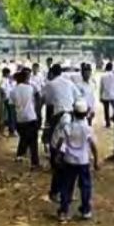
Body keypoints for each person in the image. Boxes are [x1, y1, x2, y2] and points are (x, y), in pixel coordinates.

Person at [55, 99, 99, 222]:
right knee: (85, 186)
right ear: (86, 114)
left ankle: (63, 211)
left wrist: (58, 155)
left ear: (73, 113)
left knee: (67, 186)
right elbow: (93, 146)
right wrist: (96, 160)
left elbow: (60, 142)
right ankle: (85, 210)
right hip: (83, 161)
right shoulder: (87, 129)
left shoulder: (68, 127)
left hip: (69, 160)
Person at [44, 63, 76, 202]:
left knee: (56, 146)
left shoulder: (51, 84)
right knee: (67, 149)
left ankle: (56, 190)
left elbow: (47, 101)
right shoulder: (69, 83)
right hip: (70, 115)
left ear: (52, 73)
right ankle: (62, 191)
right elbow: (78, 97)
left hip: (59, 116)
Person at [11, 68, 40, 168]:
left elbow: (12, 104)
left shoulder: (13, 91)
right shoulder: (30, 88)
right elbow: (37, 97)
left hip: (20, 118)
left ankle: (20, 155)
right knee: (33, 141)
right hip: (31, 117)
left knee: (23, 137)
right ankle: (34, 162)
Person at [0, 67, 16, 137]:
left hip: (8, 99)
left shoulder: (6, 79)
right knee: (10, 115)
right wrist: (5, 94)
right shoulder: (3, 80)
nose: (9, 75)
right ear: (6, 73)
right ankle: (11, 131)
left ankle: (10, 130)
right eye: (8, 73)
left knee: (10, 115)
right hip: (7, 99)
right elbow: (2, 88)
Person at [99, 62, 114, 129]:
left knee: (106, 110)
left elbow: (101, 87)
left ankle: (107, 122)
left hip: (105, 95)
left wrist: (100, 96)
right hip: (113, 94)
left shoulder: (103, 76)